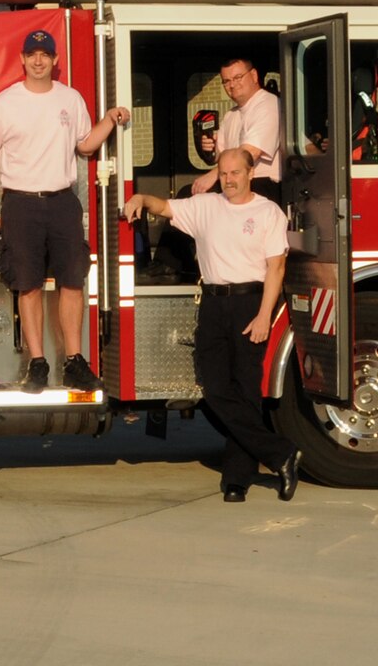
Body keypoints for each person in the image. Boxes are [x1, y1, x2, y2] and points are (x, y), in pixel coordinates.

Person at [125, 149, 301, 502]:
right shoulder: (205, 206)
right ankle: (281, 453)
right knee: (216, 387)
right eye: (223, 174)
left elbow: (276, 269)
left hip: (250, 302)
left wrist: (265, 315)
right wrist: (141, 198)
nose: (229, 179)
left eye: (236, 172)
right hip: (213, 303)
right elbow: (164, 207)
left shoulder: (268, 213)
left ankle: (237, 477)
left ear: (251, 173)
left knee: (246, 389)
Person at [0, 29, 129, 393]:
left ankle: (74, 362)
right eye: (32, 54)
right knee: (27, 284)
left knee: (72, 281)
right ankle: (38, 363)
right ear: (23, 60)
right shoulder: (5, 104)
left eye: (45, 54)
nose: (39, 60)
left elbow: (86, 146)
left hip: (62, 201)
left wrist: (109, 119)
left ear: (56, 60)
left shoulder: (70, 99)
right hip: (20, 203)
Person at [191, 57, 282, 201]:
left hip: (261, 186)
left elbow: (250, 153)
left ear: (253, 76)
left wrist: (213, 175)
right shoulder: (231, 115)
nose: (232, 85)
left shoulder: (269, 105)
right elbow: (220, 156)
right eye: (226, 81)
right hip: (234, 182)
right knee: (189, 197)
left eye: (238, 77)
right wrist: (210, 148)